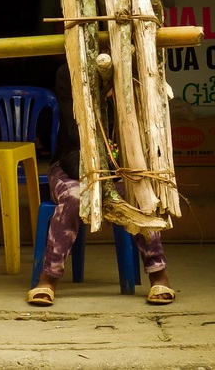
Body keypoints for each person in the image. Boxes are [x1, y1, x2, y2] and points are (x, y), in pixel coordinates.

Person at [26, 61, 177, 306]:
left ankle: (159, 274)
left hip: (122, 169)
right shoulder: (69, 73)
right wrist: (95, 175)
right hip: (72, 165)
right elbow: (74, 138)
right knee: (74, 197)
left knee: (140, 196)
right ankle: (48, 278)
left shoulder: (134, 73)